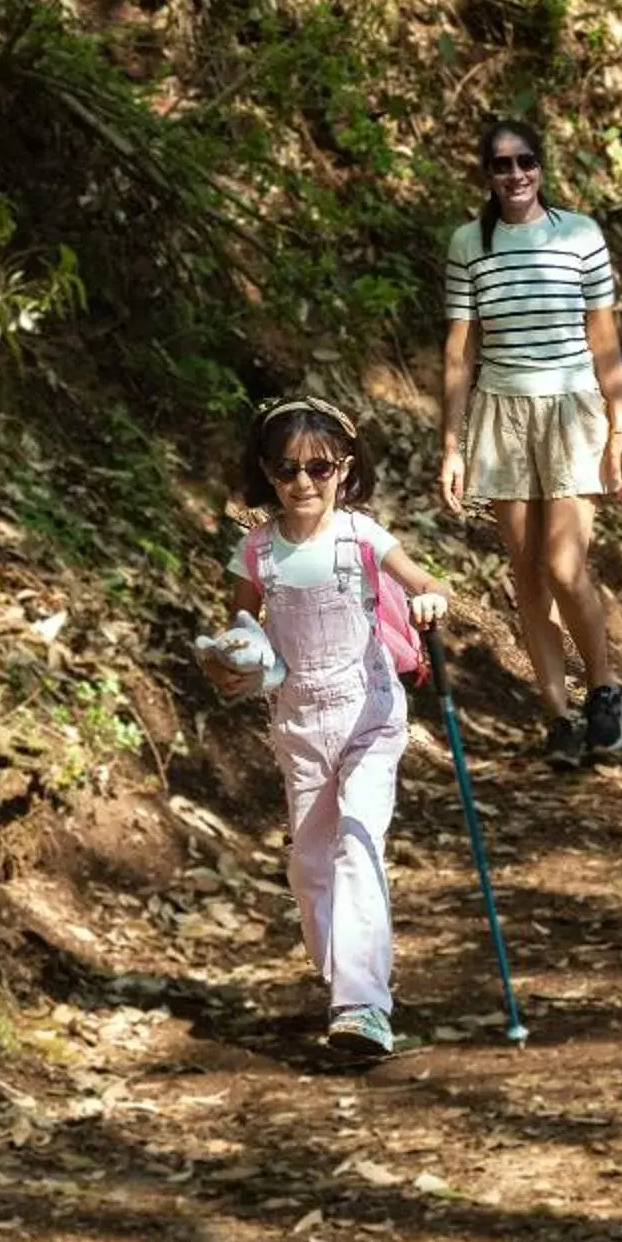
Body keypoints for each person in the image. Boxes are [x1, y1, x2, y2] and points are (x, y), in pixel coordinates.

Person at [203, 395, 452, 1059]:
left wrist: (428, 596)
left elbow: (422, 577)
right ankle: (342, 974)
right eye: (287, 471)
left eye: (320, 468)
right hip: (299, 724)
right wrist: (235, 661)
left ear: (345, 469)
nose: (304, 483)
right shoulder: (256, 552)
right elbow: (243, 627)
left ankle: (363, 1004)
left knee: (355, 840)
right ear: (266, 472)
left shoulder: (362, 536)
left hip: (369, 711)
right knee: (309, 863)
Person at [435, 117, 622, 770]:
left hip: (573, 408)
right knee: (525, 571)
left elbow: (604, 336)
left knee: (563, 562)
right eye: (501, 165)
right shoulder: (470, 243)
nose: (515, 174)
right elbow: (460, 347)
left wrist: (621, 426)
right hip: (501, 411)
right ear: (486, 176)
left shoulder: (579, 234)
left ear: (542, 167)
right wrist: (452, 443)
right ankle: (557, 714)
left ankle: (603, 687)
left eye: (526, 161)